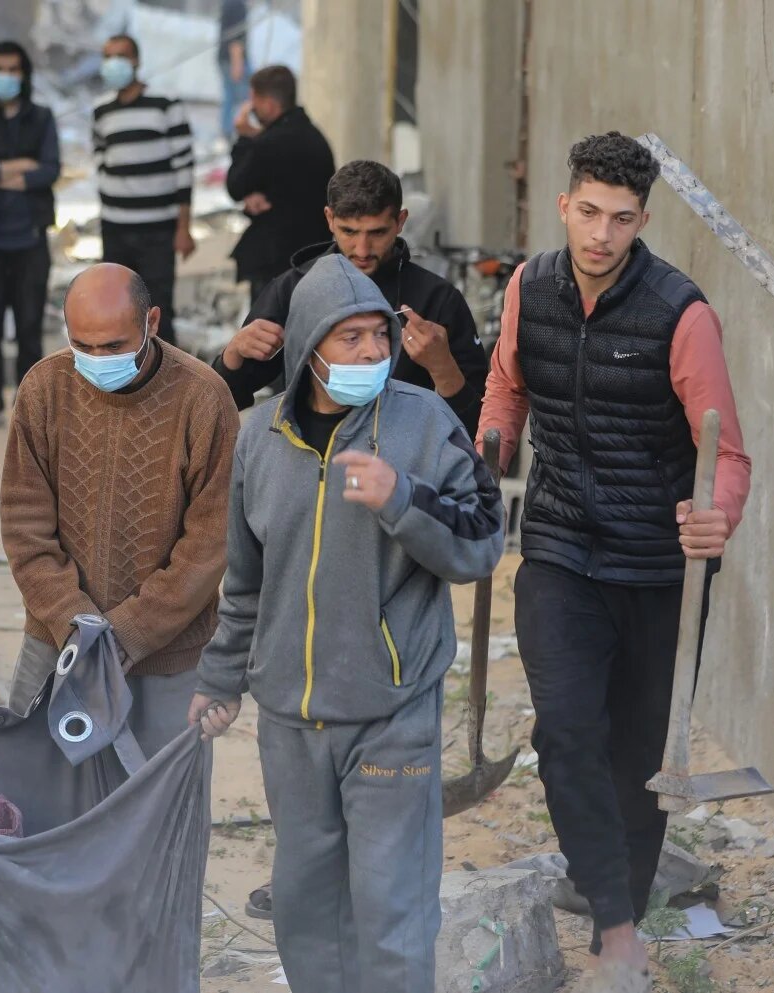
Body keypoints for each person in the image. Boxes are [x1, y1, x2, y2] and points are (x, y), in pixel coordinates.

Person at [478, 132, 752, 991]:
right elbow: (507, 384)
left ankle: (619, 903)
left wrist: (717, 516)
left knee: (638, 754)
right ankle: (616, 922)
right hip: (559, 548)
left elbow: (727, 453)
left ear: (643, 220)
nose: (601, 234)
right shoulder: (529, 288)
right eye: (589, 212)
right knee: (566, 732)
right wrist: (492, 447)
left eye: (622, 218)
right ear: (565, 206)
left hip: (659, 568)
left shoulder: (680, 313)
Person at [194, 254, 504, 993]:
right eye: (350, 337)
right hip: (291, 718)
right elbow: (246, 581)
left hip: (390, 710)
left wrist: (404, 499)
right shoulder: (259, 438)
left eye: (379, 335)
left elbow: (482, 542)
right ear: (308, 345)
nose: (371, 352)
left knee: (391, 907)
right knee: (307, 905)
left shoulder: (422, 423)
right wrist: (221, 676)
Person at [1, 263, 238, 757]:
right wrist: (75, 624)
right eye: (82, 345)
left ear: (152, 322)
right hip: (56, 641)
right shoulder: (44, 388)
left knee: (159, 792)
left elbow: (211, 542)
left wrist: (128, 633)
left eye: (113, 346)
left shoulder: (203, 398)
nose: (96, 359)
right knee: (34, 783)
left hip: (168, 654)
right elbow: (25, 524)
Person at [215, 159, 489, 435]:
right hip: (307, 454)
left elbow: (482, 429)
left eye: (377, 232)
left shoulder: (437, 300)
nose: (362, 249)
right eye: (349, 231)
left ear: (400, 221)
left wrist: (443, 368)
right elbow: (220, 407)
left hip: (408, 456)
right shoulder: (293, 290)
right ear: (330, 219)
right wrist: (233, 354)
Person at [0, 40, 61, 430]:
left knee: (29, 328)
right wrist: (20, 166)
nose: (5, 77)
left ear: (25, 74)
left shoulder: (42, 118)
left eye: (12, 69)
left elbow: (49, 170)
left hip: (30, 239)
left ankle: (28, 407)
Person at [93, 34, 195, 346]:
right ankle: (126, 372)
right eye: (108, 57)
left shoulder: (166, 104)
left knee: (158, 311)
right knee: (117, 310)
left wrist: (183, 227)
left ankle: (167, 373)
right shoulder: (101, 110)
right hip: (115, 227)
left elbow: (184, 168)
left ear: (136, 60)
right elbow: (100, 160)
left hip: (157, 229)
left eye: (121, 56)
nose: (114, 64)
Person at [225, 65, 334, 298]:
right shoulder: (313, 137)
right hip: (315, 256)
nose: (251, 108)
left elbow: (235, 185)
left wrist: (244, 139)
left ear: (268, 104)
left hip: (276, 264)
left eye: (254, 101)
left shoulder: (269, 144)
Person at [217, 0, 249, 140]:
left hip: (226, 57)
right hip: (233, 58)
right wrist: (237, 63)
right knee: (244, 99)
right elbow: (235, 37)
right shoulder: (237, 5)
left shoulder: (229, 3)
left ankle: (227, 133)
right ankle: (238, 134)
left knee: (229, 97)